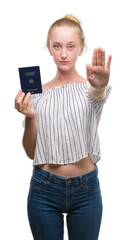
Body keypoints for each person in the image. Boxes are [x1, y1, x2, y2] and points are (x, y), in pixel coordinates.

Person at [15, 14, 112, 240]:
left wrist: (99, 86)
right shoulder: (37, 93)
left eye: (71, 46)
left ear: (81, 48)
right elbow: (31, 152)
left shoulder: (90, 89)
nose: (64, 54)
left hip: (86, 189)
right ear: (49, 48)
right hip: (43, 190)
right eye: (57, 46)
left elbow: (96, 95)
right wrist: (30, 116)